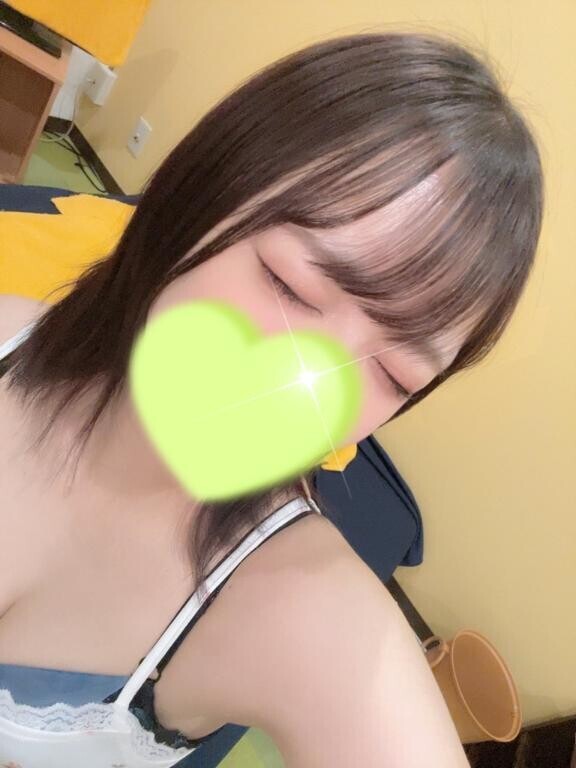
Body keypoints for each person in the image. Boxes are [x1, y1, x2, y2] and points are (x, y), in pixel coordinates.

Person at [0, 29, 543, 768]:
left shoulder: (298, 602)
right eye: (292, 286)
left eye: (393, 377)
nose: (307, 391)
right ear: (203, 196)